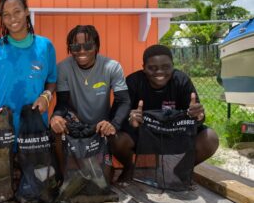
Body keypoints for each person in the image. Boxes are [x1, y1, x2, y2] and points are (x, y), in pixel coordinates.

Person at [117, 44, 219, 181]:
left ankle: (179, 171)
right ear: (144, 68)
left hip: (173, 137)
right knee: (116, 139)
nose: (159, 72)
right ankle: (129, 168)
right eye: (152, 68)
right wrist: (131, 121)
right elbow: (116, 117)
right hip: (144, 139)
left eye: (166, 67)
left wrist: (198, 117)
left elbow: (197, 117)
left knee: (210, 138)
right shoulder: (133, 82)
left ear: (173, 66)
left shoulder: (181, 80)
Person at [50, 25, 131, 181]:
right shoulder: (63, 68)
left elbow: (124, 101)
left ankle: (128, 168)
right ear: (70, 48)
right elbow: (62, 103)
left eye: (87, 45)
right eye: (75, 46)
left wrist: (113, 124)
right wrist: (56, 116)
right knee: (57, 130)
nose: (81, 51)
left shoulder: (112, 67)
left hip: (101, 127)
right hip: (76, 126)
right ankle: (62, 178)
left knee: (119, 142)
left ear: (96, 46)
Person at [0, 0, 57, 142]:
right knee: (4, 166)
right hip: (3, 127)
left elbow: (52, 80)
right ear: (1, 18)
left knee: (34, 166)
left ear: (27, 11)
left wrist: (46, 97)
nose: (12, 18)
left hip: (35, 127)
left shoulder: (45, 46)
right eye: (6, 14)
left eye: (17, 12)